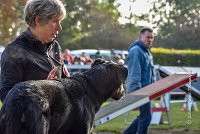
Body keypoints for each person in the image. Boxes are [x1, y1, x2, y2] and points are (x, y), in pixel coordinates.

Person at [0, 0, 68, 102]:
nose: (60, 27)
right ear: (38, 20)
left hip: (56, 117)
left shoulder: (55, 47)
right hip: (30, 118)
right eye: (55, 21)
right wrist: (42, 90)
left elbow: (64, 81)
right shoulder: (13, 51)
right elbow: (7, 97)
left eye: (60, 22)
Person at [124, 27, 155, 134]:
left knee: (144, 116)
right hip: (140, 91)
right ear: (140, 37)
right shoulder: (136, 51)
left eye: (152, 38)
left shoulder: (147, 52)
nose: (150, 40)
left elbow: (150, 74)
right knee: (146, 117)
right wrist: (136, 92)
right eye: (147, 37)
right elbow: (134, 74)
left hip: (147, 90)